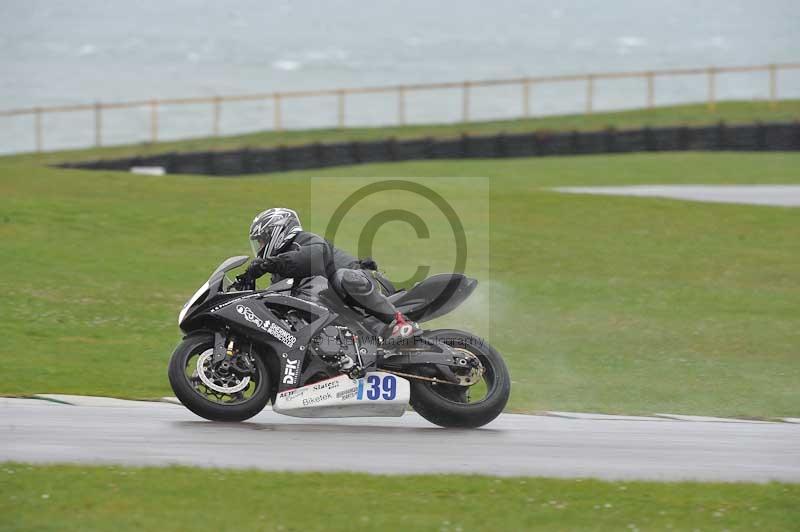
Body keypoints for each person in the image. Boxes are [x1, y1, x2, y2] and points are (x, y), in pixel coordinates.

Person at [235, 207, 421, 342]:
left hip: (367, 284)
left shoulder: (304, 241)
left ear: (276, 232)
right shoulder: (279, 274)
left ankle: (399, 322)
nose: (259, 248)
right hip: (343, 310)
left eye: (261, 241)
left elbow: (307, 258)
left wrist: (267, 264)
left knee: (343, 277)